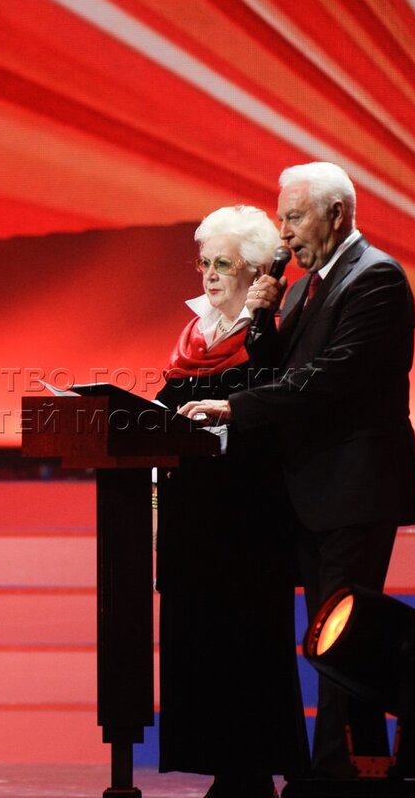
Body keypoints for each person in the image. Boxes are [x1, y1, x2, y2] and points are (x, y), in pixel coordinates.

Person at [180, 163, 415, 778]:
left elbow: (330, 378)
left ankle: (332, 774)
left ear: (336, 214)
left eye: (294, 217)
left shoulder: (376, 278)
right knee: (336, 638)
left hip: (356, 488)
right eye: (282, 218)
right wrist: (263, 318)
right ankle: (358, 769)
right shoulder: (302, 288)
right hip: (314, 492)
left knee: (339, 637)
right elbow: (281, 366)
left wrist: (234, 406)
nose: (284, 233)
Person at [154, 205, 309, 798]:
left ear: (255, 270)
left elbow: (276, 418)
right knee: (200, 646)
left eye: (222, 264)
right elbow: (163, 415)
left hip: (247, 522)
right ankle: (226, 769)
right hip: (191, 519)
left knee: (248, 647)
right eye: (203, 263)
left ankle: (252, 772)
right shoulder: (194, 335)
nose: (209, 275)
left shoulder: (270, 337)